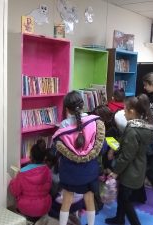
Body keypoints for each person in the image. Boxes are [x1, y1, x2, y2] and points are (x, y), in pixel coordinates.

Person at [52, 91, 105, 225]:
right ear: (82, 105)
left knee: (67, 200)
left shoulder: (64, 125)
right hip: (89, 171)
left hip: (70, 171)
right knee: (89, 199)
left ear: (67, 109)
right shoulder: (94, 121)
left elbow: (59, 148)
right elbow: (100, 147)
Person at [105, 94, 153, 225]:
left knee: (125, 200)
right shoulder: (142, 125)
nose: (123, 112)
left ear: (132, 111)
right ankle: (119, 219)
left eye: (125, 109)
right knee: (123, 197)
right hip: (138, 168)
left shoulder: (133, 130)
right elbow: (125, 141)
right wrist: (114, 149)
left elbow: (127, 156)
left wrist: (115, 172)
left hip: (130, 171)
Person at [9, 139, 52, 223]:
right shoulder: (47, 170)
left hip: (26, 208)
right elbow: (49, 187)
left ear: (31, 157)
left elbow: (15, 191)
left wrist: (12, 181)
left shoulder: (22, 172)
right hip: (44, 206)